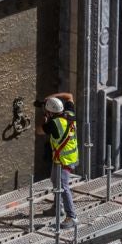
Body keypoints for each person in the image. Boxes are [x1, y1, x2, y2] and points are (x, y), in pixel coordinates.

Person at [40, 93, 80, 229]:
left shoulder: (54, 124)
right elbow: (69, 96)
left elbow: (39, 131)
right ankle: (57, 208)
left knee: (63, 187)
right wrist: (51, 97)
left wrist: (45, 119)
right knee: (54, 179)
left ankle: (72, 217)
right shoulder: (69, 113)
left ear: (50, 113)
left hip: (64, 160)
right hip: (69, 157)